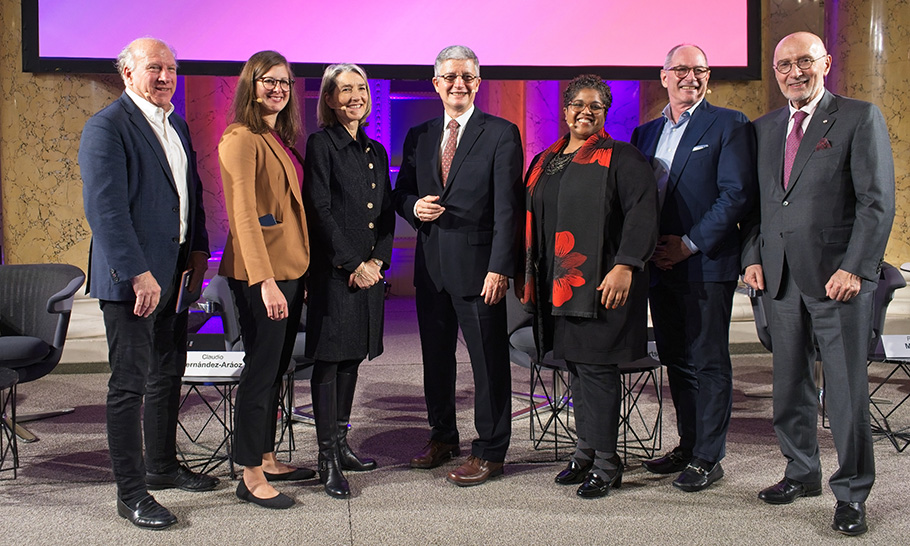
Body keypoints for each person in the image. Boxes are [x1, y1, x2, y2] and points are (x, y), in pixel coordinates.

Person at [742, 31, 895, 536]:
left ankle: (852, 493)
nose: (794, 72)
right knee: (789, 386)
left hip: (838, 282)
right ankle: (800, 471)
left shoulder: (858, 117)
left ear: (825, 63)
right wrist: (752, 258)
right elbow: (758, 207)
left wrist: (856, 267)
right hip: (780, 281)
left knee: (847, 391)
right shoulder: (764, 129)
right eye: (784, 64)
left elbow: (877, 203)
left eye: (804, 61)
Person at [80, 37, 216, 530]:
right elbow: (107, 212)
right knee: (129, 385)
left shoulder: (174, 122)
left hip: (175, 274)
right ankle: (131, 494)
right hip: (132, 281)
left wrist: (198, 252)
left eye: (172, 69)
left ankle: (161, 467)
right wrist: (139, 274)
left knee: (167, 374)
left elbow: (190, 195)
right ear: (127, 73)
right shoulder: (107, 127)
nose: (165, 76)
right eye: (154, 68)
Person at [520, 74, 658, 498]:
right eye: (577, 104)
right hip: (558, 286)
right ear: (564, 111)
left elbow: (642, 213)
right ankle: (584, 452)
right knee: (576, 368)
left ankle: (607, 461)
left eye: (595, 105)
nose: (585, 111)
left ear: (604, 112)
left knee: (596, 370)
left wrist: (626, 266)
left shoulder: (622, 157)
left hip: (602, 286)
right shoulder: (546, 159)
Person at [391, 45, 523, 486]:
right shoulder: (420, 134)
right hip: (431, 269)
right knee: (436, 360)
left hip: (480, 269)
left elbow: (509, 208)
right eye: (449, 76)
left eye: (466, 76)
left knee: (488, 362)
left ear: (477, 82)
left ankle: (490, 451)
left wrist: (500, 267)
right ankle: (443, 436)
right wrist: (413, 208)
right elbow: (401, 192)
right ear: (436, 83)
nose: (457, 84)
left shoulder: (502, 133)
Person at [630, 44, 756, 492]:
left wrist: (686, 244)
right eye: (681, 69)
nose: (691, 77)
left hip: (705, 263)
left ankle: (709, 457)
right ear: (663, 75)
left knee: (708, 362)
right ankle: (688, 445)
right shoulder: (643, 133)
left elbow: (735, 195)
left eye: (699, 70)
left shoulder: (728, 123)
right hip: (659, 267)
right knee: (677, 361)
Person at [218, 50, 313, 510]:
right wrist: (266, 281)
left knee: (275, 369)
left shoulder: (276, 138)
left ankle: (267, 455)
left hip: (289, 271)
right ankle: (249, 473)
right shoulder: (240, 138)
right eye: (268, 81)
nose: (277, 89)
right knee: (260, 372)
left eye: (284, 83)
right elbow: (243, 217)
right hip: (263, 276)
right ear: (250, 85)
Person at [302, 63, 394, 498]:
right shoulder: (322, 144)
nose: (355, 96)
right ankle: (326, 457)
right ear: (330, 99)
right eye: (345, 90)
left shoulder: (377, 151)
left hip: (368, 274)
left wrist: (377, 261)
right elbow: (318, 210)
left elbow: (386, 215)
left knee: (353, 356)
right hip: (336, 275)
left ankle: (342, 443)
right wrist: (352, 264)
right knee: (330, 361)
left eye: (361, 88)